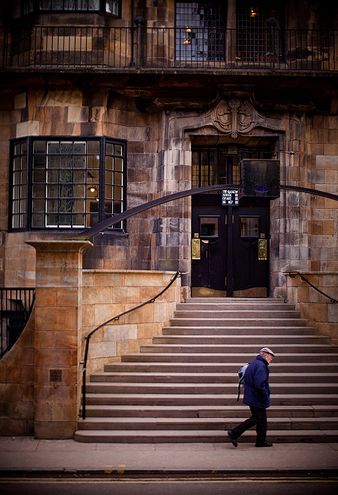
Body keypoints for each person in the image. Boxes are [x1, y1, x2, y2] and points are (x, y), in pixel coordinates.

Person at [227, 347, 275, 448]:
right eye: (271, 356)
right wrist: (265, 396)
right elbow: (260, 383)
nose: (271, 359)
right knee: (256, 418)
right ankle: (234, 433)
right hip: (257, 397)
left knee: (262, 420)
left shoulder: (254, 363)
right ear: (266, 355)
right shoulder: (261, 366)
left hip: (252, 395)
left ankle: (261, 441)